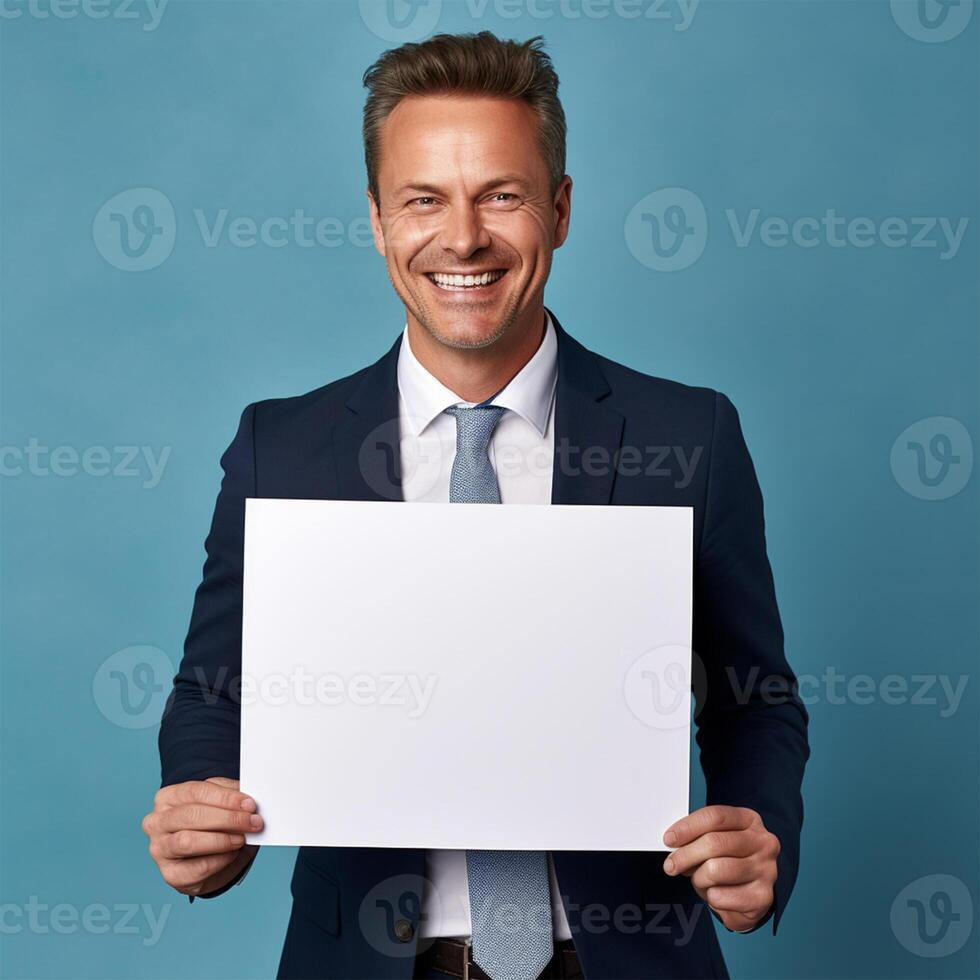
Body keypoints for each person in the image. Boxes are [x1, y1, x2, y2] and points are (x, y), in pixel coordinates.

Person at [142, 31, 809, 980]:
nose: (463, 239)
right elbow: (215, 691)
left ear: (562, 209)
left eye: (501, 195)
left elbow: (757, 699)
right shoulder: (280, 448)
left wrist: (759, 835)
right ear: (377, 220)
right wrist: (200, 807)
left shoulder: (688, 438)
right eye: (424, 199)